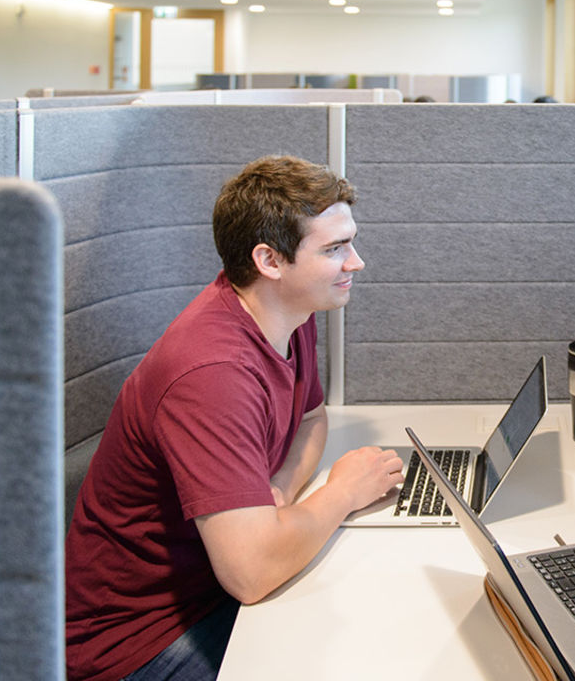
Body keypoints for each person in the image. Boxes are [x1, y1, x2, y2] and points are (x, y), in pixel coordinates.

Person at [65, 156, 406, 681]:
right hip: (140, 641)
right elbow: (252, 573)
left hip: (215, 587)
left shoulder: (289, 312)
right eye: (335, 248)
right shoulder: (212, 373)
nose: (355, 262)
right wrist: (342, 491)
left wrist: (280, 492)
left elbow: (310, 420)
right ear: (270, 260)